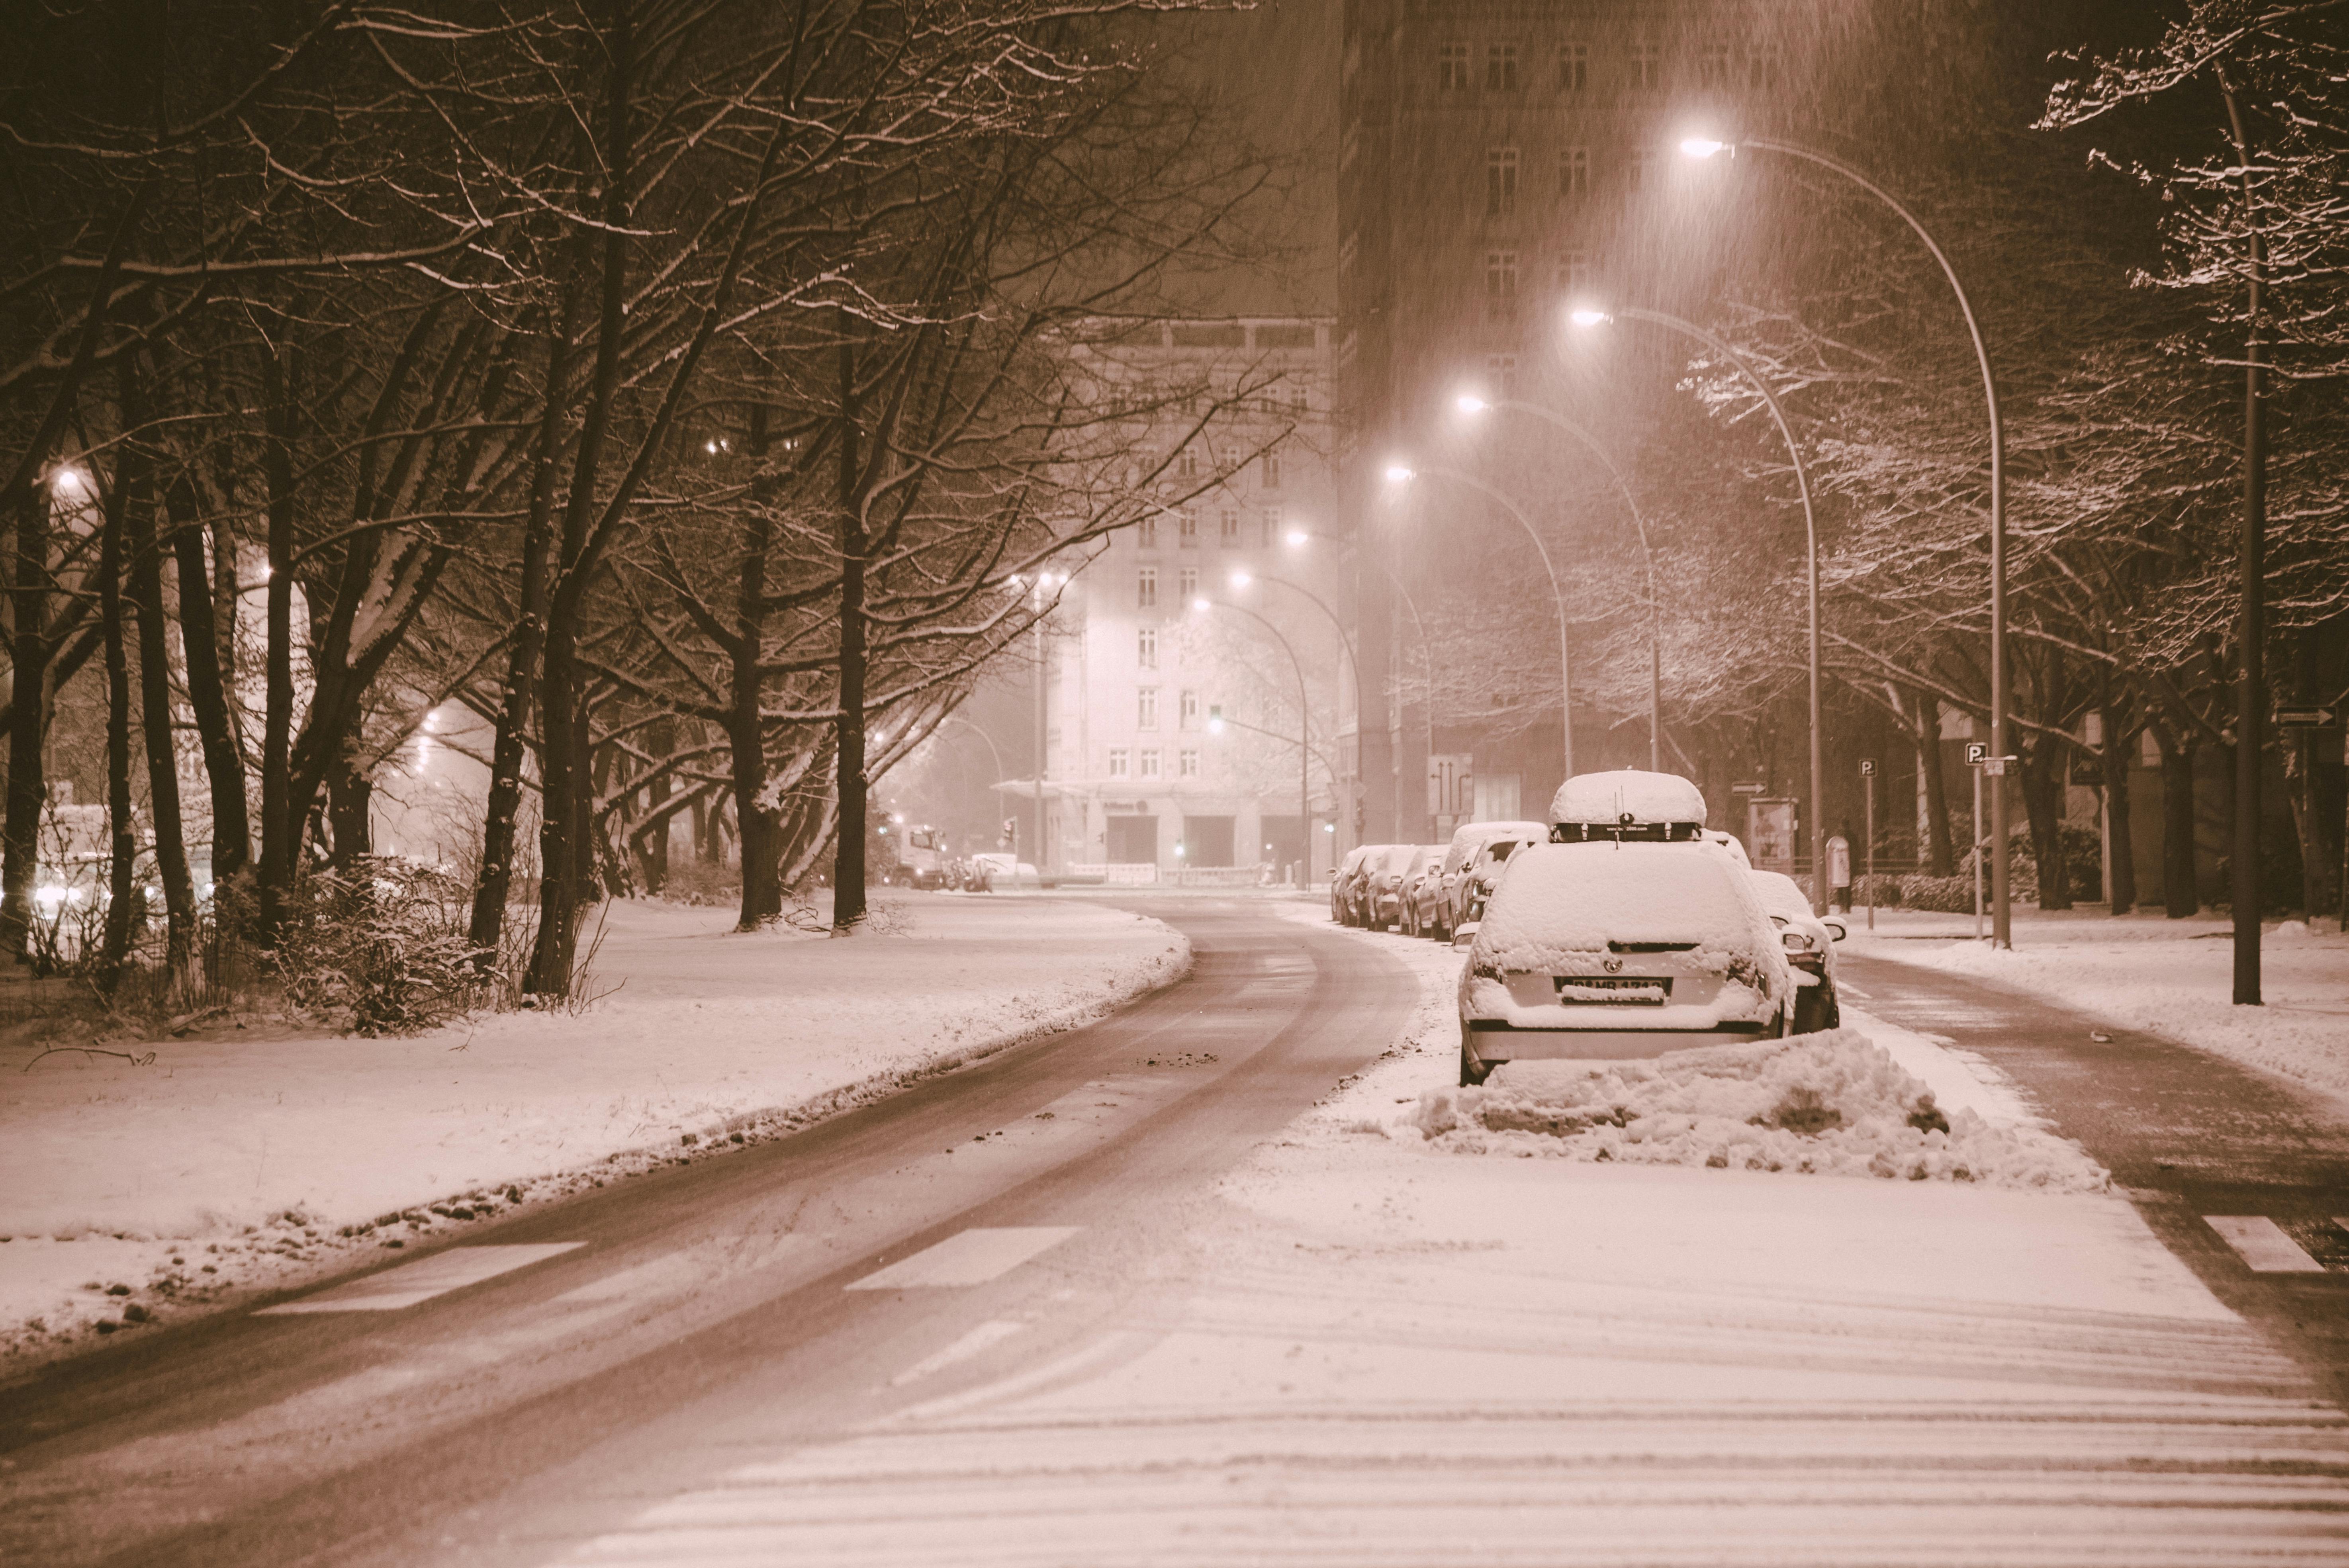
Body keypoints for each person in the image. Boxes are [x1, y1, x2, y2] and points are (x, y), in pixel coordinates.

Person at [1826, 828, 1854, 913]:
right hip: (1846, 868)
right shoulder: (1848, 842)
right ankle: (1846, 907)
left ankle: (1843, 907)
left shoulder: (1837, 843)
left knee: (1841, 889)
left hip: (1839, 869)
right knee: (1846, 888)